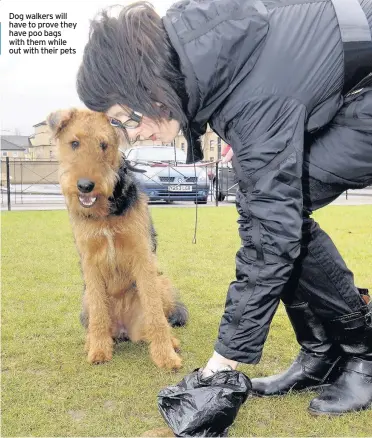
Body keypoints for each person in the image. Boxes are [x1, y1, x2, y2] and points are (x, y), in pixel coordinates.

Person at [76, 0, 372, 416]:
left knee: (279, 213)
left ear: (145, 83)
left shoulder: (251, 97)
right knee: (268, 207)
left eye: (127, 117)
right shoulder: (199, 56)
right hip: (346, 75)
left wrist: (223, 362)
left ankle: (364, 352)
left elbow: (271, 232)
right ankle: (320, 351)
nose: (135, 134)